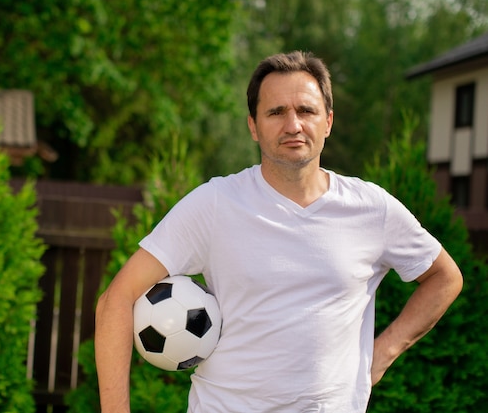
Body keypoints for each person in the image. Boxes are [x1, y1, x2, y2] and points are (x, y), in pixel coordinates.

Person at [94, 51, 463, 412]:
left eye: (306, 111)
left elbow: (444, 278)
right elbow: (116, 299)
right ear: (253, 125)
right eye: (276, 112)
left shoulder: (372, 208)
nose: (293, 125)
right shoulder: (214, 204)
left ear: (328, 121)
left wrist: (382, 354)